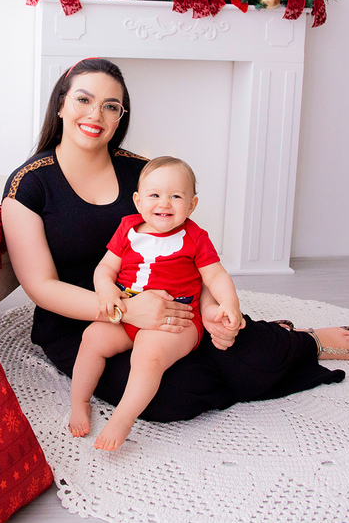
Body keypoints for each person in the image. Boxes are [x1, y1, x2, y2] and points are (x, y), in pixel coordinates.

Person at [1, 57, 349, 430]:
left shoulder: (143, 173)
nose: (95, 114)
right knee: (173, 395)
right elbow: (42, 287)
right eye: (83, 100)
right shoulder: (29, 185)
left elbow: (189, 253)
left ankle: (300, 341)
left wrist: (209, 308)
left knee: (242, 347)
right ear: (61, 104)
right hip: (84, 324)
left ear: (120, 116)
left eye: (110, 106)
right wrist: (126, 311)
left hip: (171, 308)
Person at [71, 156, 242, 449]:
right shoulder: (127, 228)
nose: (164, 203)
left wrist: (229, 303)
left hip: (176, 318)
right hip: (129, 313)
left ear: (191, 205)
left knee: (148, 356)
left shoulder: (196, 237)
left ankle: (122, 419)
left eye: (176, 196)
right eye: (154, 195)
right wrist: (107, 292)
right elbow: (105, 269)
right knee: (92, 338)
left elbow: (215, 275)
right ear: (138, 201)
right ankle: (79, 402)